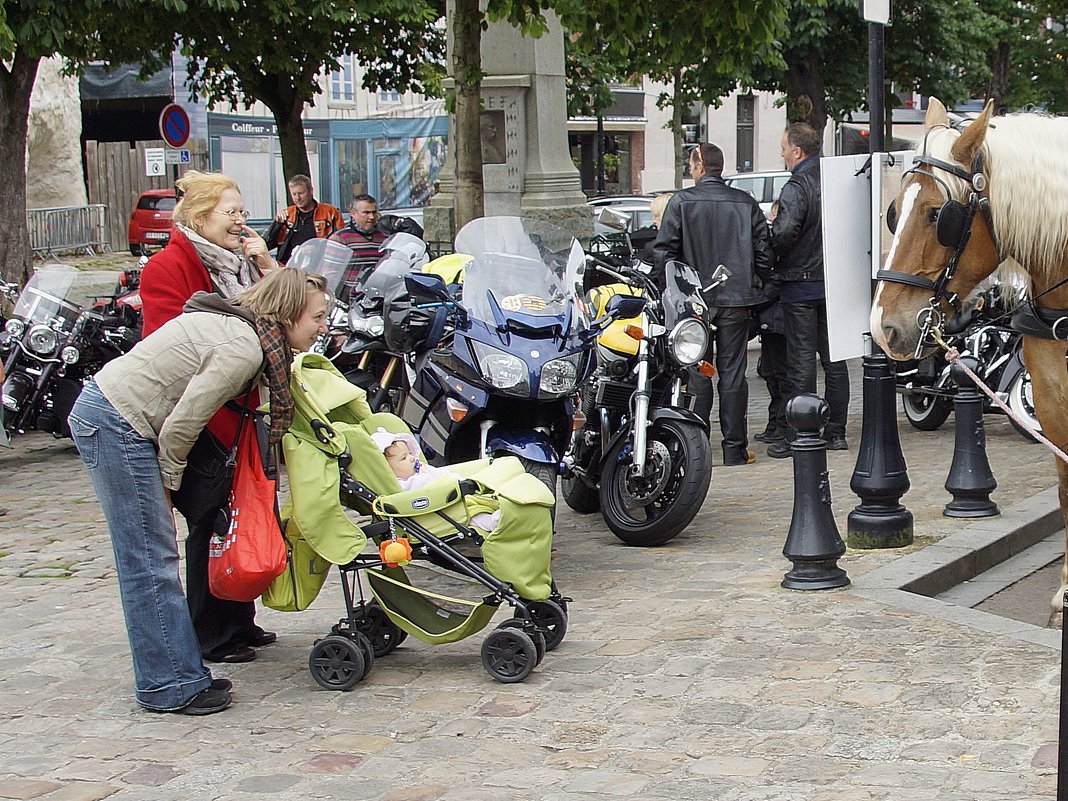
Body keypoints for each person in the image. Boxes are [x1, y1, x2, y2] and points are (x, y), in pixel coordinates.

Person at [67, 269, 329, 715]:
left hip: (120, 417)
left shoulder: (249, 332)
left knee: (152, 557)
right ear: (287, 315)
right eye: (317, 317)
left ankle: (177, 672)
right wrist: (168, 486)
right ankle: (168, 684)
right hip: (116, 421)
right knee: (149, 559)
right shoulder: (244, 348)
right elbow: (183, 424)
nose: (323, 326)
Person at [139, 170, 278, 665]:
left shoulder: (239, 264)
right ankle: (210, 631)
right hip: (200, 411)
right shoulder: (168, 266)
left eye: (243, 212)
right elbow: (168, 342)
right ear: (200, 217)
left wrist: (263, 262)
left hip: (240, 409)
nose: (240, 222)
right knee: (209, 516)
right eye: (231, 213)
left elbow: (284, 308)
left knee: (240, 509)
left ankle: (238, 618)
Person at [653, 142, 774, 467]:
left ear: (699, 166)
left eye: (691, 164)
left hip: (696, 300)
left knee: (698, 372)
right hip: (736, 299)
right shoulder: (744, 202)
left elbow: (664, 253)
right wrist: (759, 285)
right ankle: (734, 448)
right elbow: (765, 253)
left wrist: (674, 290)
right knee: (733, 374)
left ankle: (697, 446)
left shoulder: (681, 202)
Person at [767, 122, 850, 458]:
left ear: (797, 151)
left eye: (785, 149)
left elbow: (785, 233)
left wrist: (772, 246)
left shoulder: (797, 185)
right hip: (833, 282)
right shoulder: (837, 182)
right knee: (835, 359)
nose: (783, 155)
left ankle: (802, 432)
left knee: (801, 362)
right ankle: (836, 431)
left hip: (800, 284)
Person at [372, 428, 500, 531]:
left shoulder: (419, 468)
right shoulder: (401, 485)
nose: (411, 458)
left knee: (479, 497)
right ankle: (492, 522)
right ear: (388, 470)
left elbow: (439, 472)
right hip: (438, 511)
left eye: (410, 453)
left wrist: (458, 479)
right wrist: (425, 476)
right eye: (403, 458)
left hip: (454, 495)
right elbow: (419, 487)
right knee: (471, 515)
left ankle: (497, 502)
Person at [754, 200, 789, 444]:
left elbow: (775, 280)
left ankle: (780, 424)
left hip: (777, 316)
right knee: (771, 372)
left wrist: (759, 299)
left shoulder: (780, 245)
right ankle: (775, 422)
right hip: (772, 316)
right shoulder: (772, 242)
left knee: (779, 373)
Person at [267, 174, 344, 264]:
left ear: (311, 191)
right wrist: (277, 224)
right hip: (289, 267)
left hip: (320, 267)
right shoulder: (287, 214)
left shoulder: (330, 212)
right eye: (294, 194)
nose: (297, 198)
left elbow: (340, 244)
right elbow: (267, 245)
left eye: (301, 193)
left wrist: (317, 249)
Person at [329, 193, 388, 301]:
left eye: (374, 212)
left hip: (376, 299)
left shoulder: (383, 238)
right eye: (366, 212)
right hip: (348, 301)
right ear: (353, 213)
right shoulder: (340, 238)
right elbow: (330, 274)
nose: (371, 217)